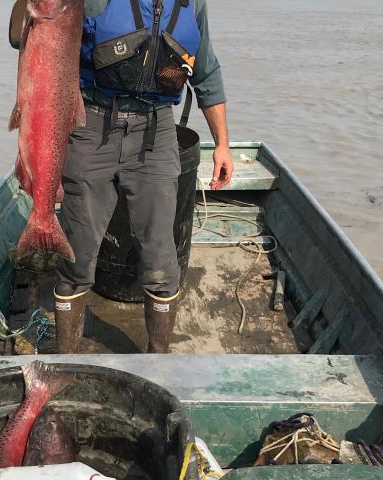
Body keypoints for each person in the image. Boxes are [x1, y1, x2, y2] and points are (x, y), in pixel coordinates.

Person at [12, 0, 233, 353]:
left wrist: (222, 143)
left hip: (157, 129)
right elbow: (21, 33)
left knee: (162, 259)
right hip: (90, 125)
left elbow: (206, 72)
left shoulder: (193, 3)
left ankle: (157, 359)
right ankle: (68, 358)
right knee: (76, 257)